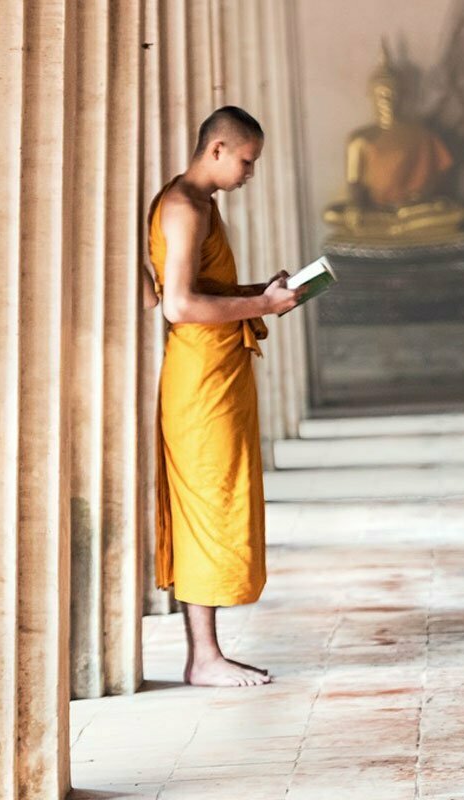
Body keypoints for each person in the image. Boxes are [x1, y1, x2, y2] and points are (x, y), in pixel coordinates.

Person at [144, 105, 303, 688]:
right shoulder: (184, 206)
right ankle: (204, 656)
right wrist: (261, 306)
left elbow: (202, 289)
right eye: (246, 161)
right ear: (217, 150)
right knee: (207, 503)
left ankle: (207, 652)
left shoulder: (201, 203)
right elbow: (179, 305)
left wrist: (259, 291)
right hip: (198, 376)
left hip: (217, 370)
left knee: (220, 498)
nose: (249, 173)